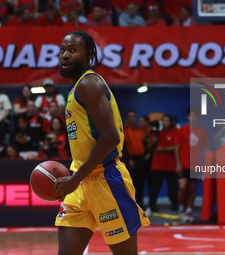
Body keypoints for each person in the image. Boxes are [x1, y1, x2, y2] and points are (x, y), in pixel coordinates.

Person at [53, 31, 149, 255]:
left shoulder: (90, 84)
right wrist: (76, 178)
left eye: (73, 50)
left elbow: (110, 137)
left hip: (107, 180)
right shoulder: (76, 87)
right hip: (81, 181)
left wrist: (75, 178)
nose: (65, 55)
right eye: (63, 50)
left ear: (89, 55)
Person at [175, 108, 209, 222]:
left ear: (198, 117)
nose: (193, 118)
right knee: (183, 187)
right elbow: (176, 147)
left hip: (196, 165)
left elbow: (206, 148)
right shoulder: (181, 130)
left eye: (195, 116)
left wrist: (204, 165)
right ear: (187, 117)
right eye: (191, 116)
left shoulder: (202, 131)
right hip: (183, 164)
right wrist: (178, 164)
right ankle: (181, 209)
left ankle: (189, 211)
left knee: (192, 189)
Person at [146, 115, 178, 215]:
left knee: (173, 190)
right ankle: (152, 207)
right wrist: (154, 141)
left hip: (171, 166)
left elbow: (176, 147)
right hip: (157, 166)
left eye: (167, 121)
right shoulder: (155, 134)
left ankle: (175, 207)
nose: (165, 123)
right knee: (154, 189)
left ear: (171, 123)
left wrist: (163, 149)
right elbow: (149, 148)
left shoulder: (175, 133)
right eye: (163, 121)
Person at [123, 109, 146, 209]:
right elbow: (124, 146)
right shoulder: (125, 129)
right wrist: (129, 159)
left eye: (134, 116)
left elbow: (144, 143)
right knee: (132, 183)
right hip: (131, 160)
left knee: (141, 183)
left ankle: (140, 205)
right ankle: (132, 205)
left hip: (141, 160)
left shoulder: (139, 129)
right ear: (127, 117)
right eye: (130, 116)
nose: (132, 118)